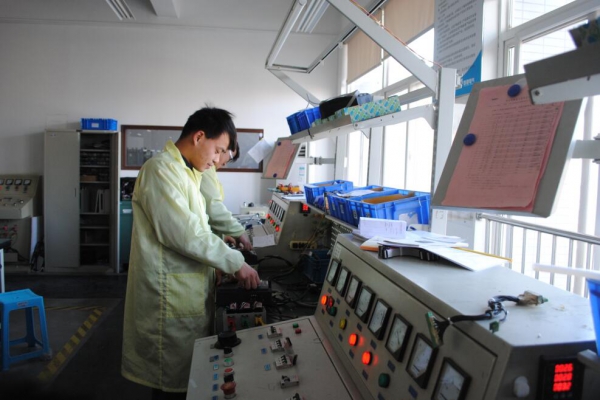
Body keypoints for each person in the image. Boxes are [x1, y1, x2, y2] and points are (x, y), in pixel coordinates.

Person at [121, 107, 260, 399]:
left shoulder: (189, 173)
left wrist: (218, 262)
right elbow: (186, 234)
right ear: (199, 137)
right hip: (168, 298)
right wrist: (235, 262)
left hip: (186, 293)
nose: (217, 159)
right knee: (171, 386)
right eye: (218, 150)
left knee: (189, 381)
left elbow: (200, 227)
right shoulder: (160, 170)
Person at [201, 141, 253, 251]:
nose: (225, 163)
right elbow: (213, 207)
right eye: (229, 157)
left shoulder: (211, 171)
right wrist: (239, 232)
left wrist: (223, 236)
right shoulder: (206, 170)